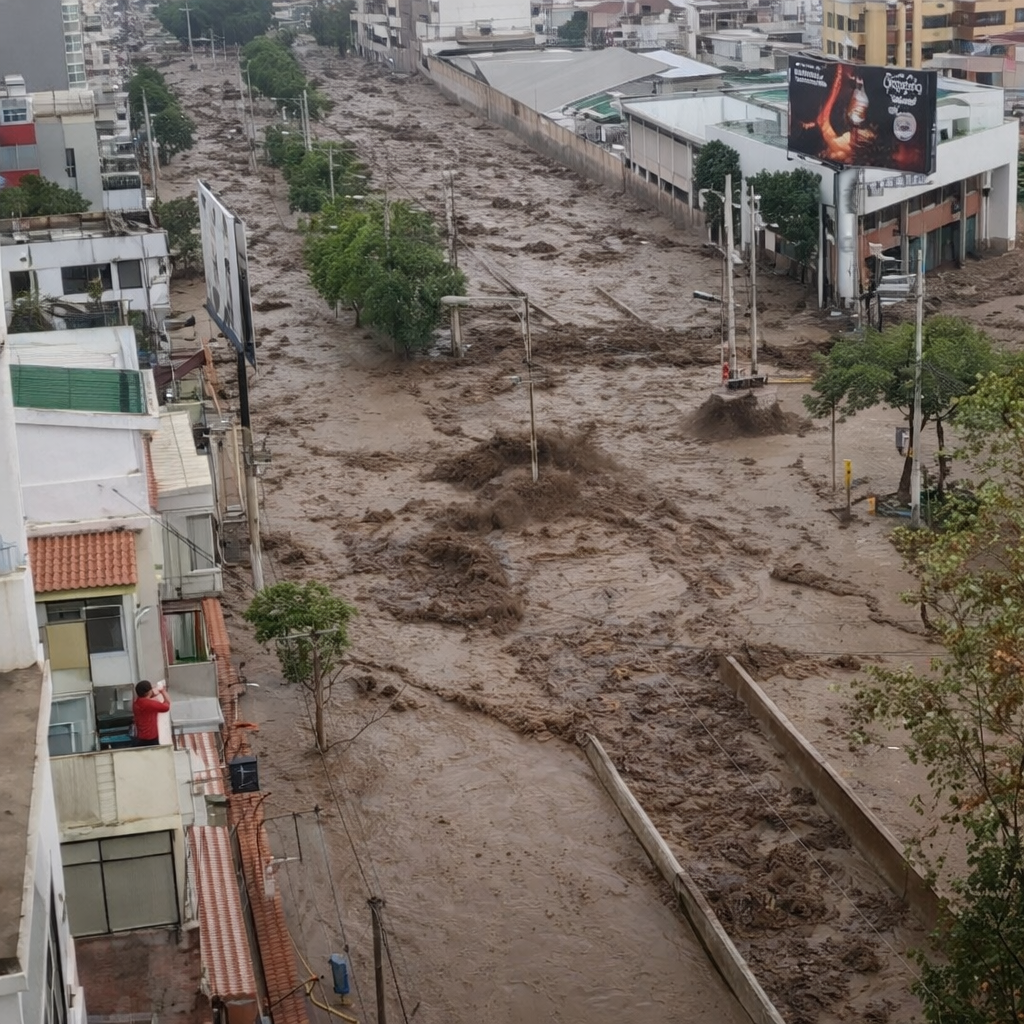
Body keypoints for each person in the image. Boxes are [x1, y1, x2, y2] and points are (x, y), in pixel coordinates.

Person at [132, 679, 170, 746]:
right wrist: (163, 691)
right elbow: (167, 706)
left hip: (141, 737)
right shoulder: (148, 704)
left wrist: (155, 691)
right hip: (150, 739)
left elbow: (150, 697)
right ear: (148, 692)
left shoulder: (137, 702)